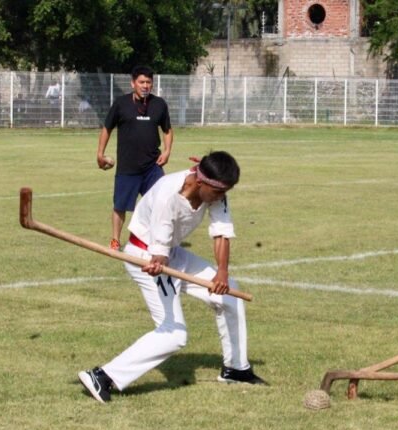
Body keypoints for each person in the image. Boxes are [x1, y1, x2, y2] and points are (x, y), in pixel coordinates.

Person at [78, 151, 266, 404]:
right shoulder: (168, 193)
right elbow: (160, 244)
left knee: (230, 293)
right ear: (201, 182)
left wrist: (222, 273)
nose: (221, 198)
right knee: (174, 334)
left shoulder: (215, 192)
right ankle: (103, 376)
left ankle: (236, 369)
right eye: (218, 193)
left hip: (172, 254)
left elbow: (221, 233)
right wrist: (158, 261)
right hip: (146, 257)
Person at [97, 65, 174, 250]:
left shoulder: (159, 104)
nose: (145, 85)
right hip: (127, 167)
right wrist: (100, 154)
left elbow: (167, 130)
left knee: (161, 203)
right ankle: (115, 240)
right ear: (133, 83)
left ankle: (157, 242)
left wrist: (167, 151)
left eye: (148, 82)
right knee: (120, 206)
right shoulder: (121, 103)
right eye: (141, 82)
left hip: (152, 166)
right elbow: (107, 128)